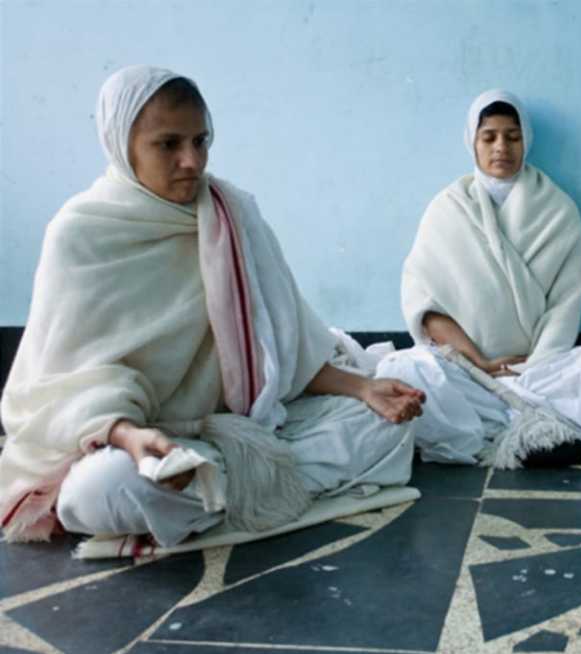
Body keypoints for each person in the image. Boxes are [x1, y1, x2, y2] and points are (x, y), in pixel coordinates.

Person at [0, 66, 425, 547]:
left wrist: (363, 387)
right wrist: (130, 438)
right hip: (134, 442)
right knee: (102, 490)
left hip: (238, 431)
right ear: (121, 143)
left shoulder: (230, 212)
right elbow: (62, 384)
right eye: (168, 144)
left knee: (382, 430)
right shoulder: (81, 233)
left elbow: (284, 344)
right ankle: (239, 488)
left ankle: (228, 492)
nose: (191, 161)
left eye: (201, 141)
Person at [383, 89, 581, 465]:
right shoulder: (446, 209)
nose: (501, 147)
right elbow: (426, 305)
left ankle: (507, 419)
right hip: (465, 371)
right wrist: (479, 363)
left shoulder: (558, 209)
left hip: (542, 371)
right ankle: (528, 422)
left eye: (513, 136)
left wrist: (534, 365)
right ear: (472, 142)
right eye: (489, 136)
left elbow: (565, 302)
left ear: (526, 140)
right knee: (402, 370)